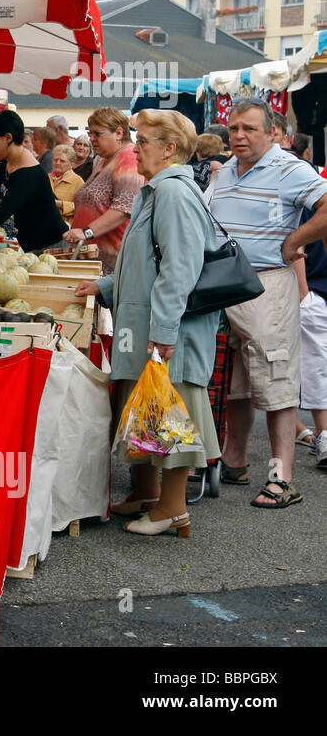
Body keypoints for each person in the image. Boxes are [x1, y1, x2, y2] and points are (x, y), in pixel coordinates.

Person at [74, 110, 221, 536]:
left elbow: (180, 268)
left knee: (172, 415)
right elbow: (139, 262)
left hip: (169, 329)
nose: (135, 148)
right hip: (151, 323)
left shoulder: (173, 193)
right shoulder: (158, 190)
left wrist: (165, 332)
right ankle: (148, 494)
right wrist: (104, 285)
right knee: (149, 410)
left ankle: (172, 510)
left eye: (144, 140)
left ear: (170, 148)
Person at [209, 99, 327, 508]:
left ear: (272, 132)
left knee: (276, 377)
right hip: (228, 285)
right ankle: (235, 460)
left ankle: (283, 478)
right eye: (234, 128)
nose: (239, 136)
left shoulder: (291, 169)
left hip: (267, 285)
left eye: (249, 129)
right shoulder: (224, 171)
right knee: (239, 381)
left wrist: (296, 240)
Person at [0, 110, 67, 252]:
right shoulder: (3, 165)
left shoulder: (29, 174)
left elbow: (1, 214)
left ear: (8, 137)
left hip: (50, 246)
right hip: (29, 244)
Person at [63, 108, 143, 273]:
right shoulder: (106, 160)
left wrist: (87, 232)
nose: (91, 139)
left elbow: (123, 209)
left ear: (119, 133)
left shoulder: (129, 158)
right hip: (93, 260)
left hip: (110, 264)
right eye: (89, 132)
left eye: (97, 134)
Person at [294, 212, 327, 465]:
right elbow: (297, 240)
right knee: (317, 365)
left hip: (314, 293)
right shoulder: (316, 188)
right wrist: (304, 293)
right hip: (316, 292)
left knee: (318, 364)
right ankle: (324, 434)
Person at [49, 144, 84, 220]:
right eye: (55, 160)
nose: (58, 163)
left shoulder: (78, 181)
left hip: (65, 226)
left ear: (71, 164)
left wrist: (61, 204)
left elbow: (82, 208)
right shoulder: (45, 178)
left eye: (62, 161)